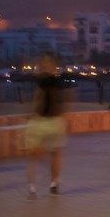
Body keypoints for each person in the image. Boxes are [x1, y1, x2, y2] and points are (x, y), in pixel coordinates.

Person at [26, 53, 68, 200]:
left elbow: (65, 99)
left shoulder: (58, 81)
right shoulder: (42, 80)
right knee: (34, 154)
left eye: (48, 62)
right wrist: (32, 112)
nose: (46, 65)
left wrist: (66, 116)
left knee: (55, 153)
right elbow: (37, 97)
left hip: (54, 119)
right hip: (40, 119)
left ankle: (54, 183)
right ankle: (32, 188)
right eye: (44, 62)